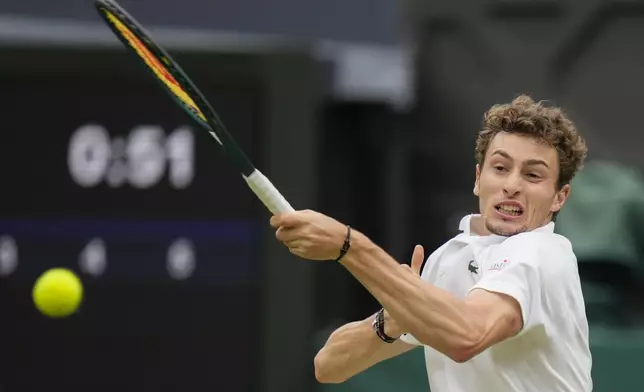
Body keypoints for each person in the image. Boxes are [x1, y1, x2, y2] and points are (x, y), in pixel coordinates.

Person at [270, 95, 592, 392]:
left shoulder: (542, 254)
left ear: (559, 198)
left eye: (532, 176)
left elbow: (467, 335)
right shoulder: (451, 258)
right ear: (479, 179)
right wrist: (397, 316)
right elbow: (329, 365)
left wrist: (350, 246)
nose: (511, 185)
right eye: (500, 167)